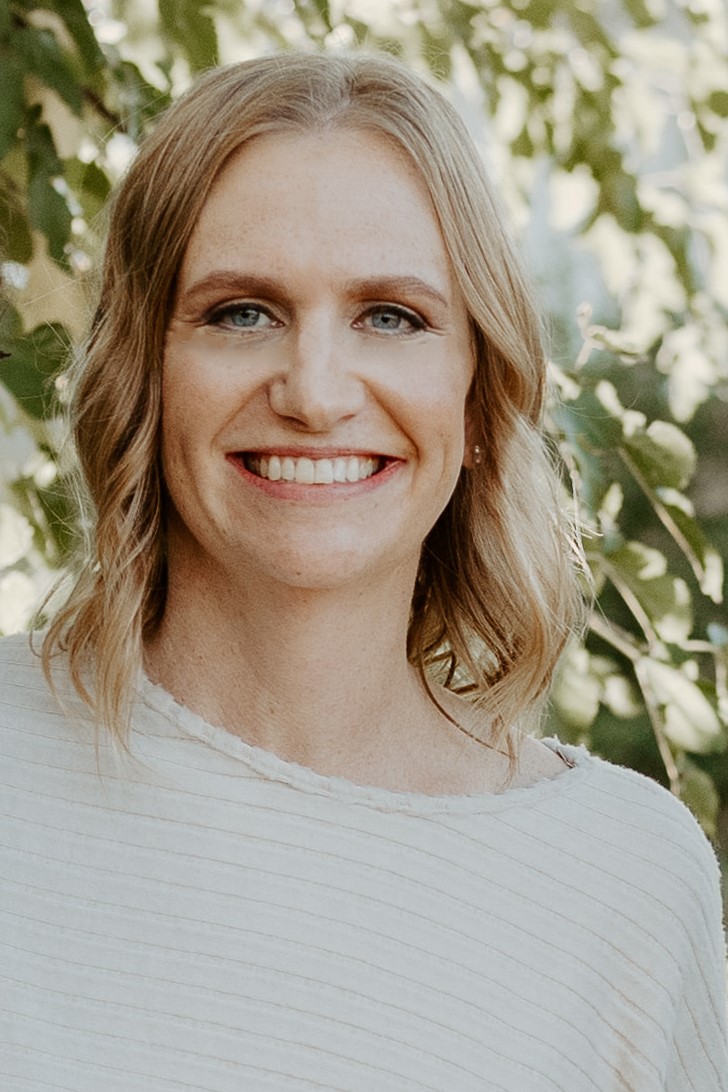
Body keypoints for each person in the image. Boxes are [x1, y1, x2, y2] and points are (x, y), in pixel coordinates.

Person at [1, 51, 726, 1092]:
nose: (315, 391)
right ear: (145, 376)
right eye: (240, 311)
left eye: (390, 315)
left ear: (477, 400)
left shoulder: (620, 880)